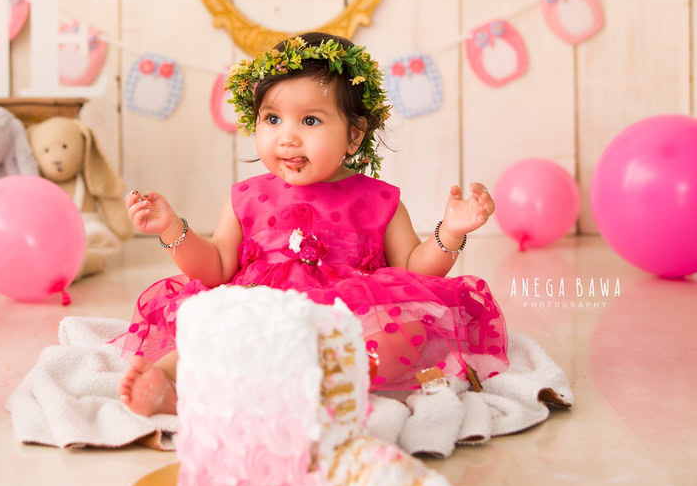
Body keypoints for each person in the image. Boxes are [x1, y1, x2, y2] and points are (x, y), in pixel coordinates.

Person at [115, 33, 507, 416]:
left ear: (354, 135)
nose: (287, 137)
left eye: (309, 120)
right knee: (209, 331)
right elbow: (215, 267)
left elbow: (415, 270)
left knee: (404, 337)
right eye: (272, 118)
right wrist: (172, 229)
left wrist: (451, 232)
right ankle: (169, 384)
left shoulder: (378, 200)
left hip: (342, 323)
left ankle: (303, 389)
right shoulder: (246, 198)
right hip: (259, 312)